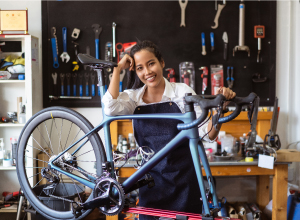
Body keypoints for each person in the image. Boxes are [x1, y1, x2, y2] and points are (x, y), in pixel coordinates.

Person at [102, 40, 235, 218]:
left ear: (162, 63)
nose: (147, 72)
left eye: (151, 64)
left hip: (184, 181)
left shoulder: (182, 93)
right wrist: (118, 68)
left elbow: (208, 134)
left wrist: (220, 109)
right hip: (150, 182)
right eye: (140, 68)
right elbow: (109, 107)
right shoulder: (134, 99)